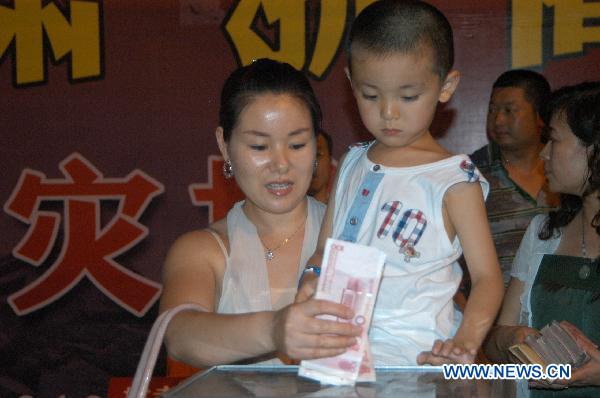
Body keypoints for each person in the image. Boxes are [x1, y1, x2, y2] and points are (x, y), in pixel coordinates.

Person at [301, 0, 503, 366]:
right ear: (350, 83)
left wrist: (465, 342)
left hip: (418, 362)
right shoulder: (350, 162)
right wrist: (310, 280)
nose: (388, 112)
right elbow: (324, 251)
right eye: (370, 95)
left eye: (408, 96)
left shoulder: (454, 179)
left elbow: (488, 278)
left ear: (446, 86)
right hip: (337, 359)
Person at [159, 58, 361, 368]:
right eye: (259, 146)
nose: (281, 164)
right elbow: (178, 333)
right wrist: (274, 330)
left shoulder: (355, 235)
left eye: (297, 144)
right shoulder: (204, 250)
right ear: (224, 145)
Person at [484, 81, 600, 396]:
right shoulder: (542, 233)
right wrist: (511, 340)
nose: (544, 154)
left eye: (553, 140)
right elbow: (496, 341)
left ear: (594, 148)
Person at [470, 70, 559, 285]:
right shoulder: (469, 173)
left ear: (540, 115)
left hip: (559, 311)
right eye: (492, 110)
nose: (498, 120)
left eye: (509, 110)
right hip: (495, 314)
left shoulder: (566, 169)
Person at [308, 129, 334, 203]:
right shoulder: (279, 212)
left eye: (317, 154)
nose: (311, 162)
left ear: (330, 162)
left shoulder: (343, 212)